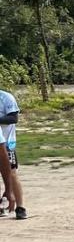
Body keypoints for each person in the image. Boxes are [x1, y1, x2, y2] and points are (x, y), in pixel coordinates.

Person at [0, 86, 25, 219]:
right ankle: (2, 206)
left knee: (12, 173)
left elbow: (13, 118)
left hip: (7, 142)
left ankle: (20, 207)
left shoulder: (6, 98)